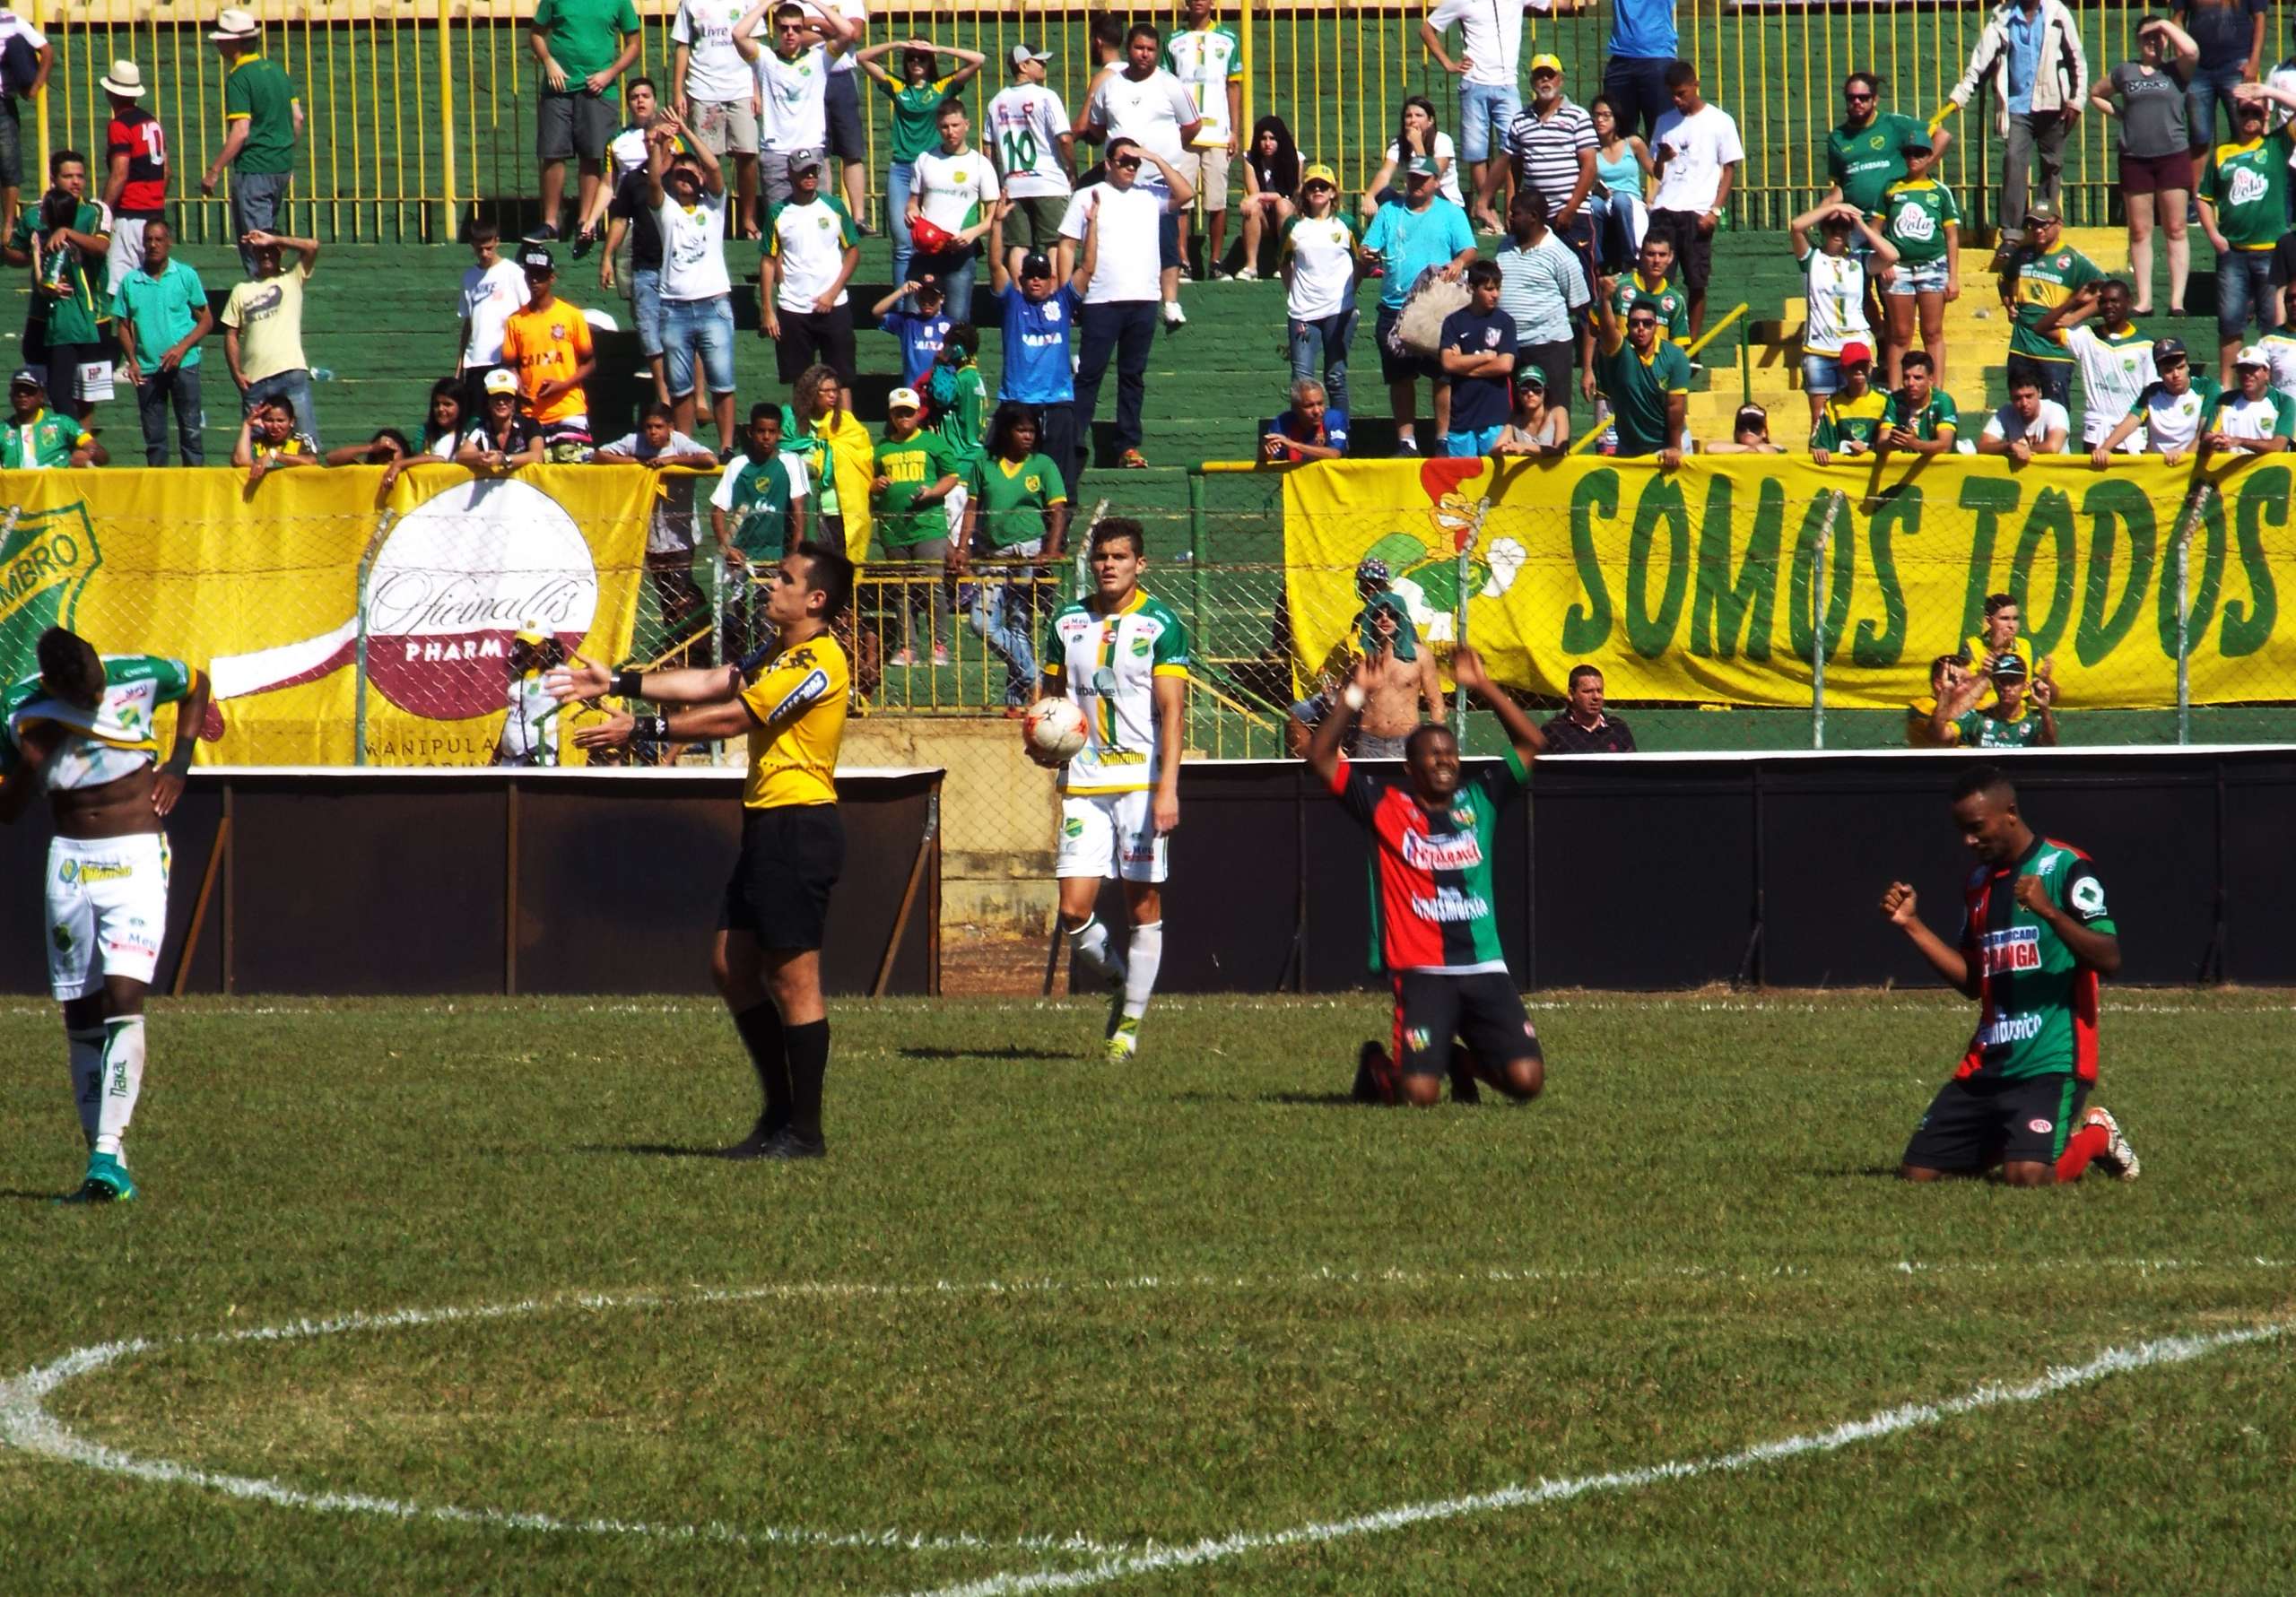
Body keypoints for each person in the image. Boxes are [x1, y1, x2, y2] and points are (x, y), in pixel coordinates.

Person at [551, 543, 858, 1160]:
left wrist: (639, 727)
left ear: (815, 599)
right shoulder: (778, 651)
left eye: (786, 578)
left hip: (800, 826)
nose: (773, 584)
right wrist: (620, 681)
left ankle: (806, 1132)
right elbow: (717, 680)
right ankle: (778, 1116)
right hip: (768, 823)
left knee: (794, 979)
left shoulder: (818, 661)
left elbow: (731, 718)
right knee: (730, 963)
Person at [0, 627, 209, 1203]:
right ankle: (106, 1163)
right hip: (70, 866)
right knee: (80, 1014)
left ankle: (104, 1151)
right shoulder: (21, 710)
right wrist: (31, 765)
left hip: (136, 858)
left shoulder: (138, 674)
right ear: (54, 684)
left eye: (98, 686)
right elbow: (9, 810)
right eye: (83, 695)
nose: (96, 699)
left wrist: (179, 763)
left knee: (124, 999)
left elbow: (197, 685)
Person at [1310, 645, 1548, 1108]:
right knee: (1419, 1095)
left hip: (1483, 968)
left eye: (1450, 755)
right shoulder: (1384, 806)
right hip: (1422, 972)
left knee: (1527, 1082)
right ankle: (1378, 1067)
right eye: (1432, 756)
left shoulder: (1482, 799)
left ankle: (1462, 1063)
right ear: (1409, 767)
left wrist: (1482, 687)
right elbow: (1321, 757)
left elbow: (1532, 744)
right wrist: (1355, 693)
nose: (1444, 762)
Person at [1878, 766, 2138, 1185]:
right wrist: (1912, 924)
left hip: (2053, 1060)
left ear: (2010, 812)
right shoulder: (1978, 883)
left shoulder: (2066, 866)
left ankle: (2096, 1136)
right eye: (1962, 830)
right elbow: (1971, 983)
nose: (1969, 840)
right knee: (1918, 1174)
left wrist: (2050, 912)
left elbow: (2109, 958)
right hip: (1989, 1063)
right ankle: (2017, 1135)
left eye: (1977, 828)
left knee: (2028, 1176)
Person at [1032, 519, 1187, 1061]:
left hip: (1141, 788)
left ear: (1140, 564)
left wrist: (1167, 788)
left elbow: (1172, 711)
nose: (1108, 565)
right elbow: (1052, 702)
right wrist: (1042, 738)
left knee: (1141, 903)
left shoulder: (1162, 623)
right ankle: (1123, 985)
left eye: (1120, 557)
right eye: (1101, 556)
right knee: (1074, 910)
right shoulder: (1068, 621)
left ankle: (1128, 1030)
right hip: (1083, 783)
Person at [1063, 138, 1194, 470]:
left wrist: (1154, 157)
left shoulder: (1149, 196)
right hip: (1100, 300)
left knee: (1132, 376)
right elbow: (1067, 245)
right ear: (1108, 163)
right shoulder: (1087, 196)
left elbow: (1186, 194)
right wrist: (1069, 294)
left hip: (1143, 300)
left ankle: (1128, 446)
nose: (1130, 167)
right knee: (1089, 374)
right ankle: (1072, 442)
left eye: (1135, 163)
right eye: (1124, 161)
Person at [1083, 22, 1203, 330]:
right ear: (1129, 49)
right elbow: (1095, 126)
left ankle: (1171, 302)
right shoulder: (1110, 85)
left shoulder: (1170, 84)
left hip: (1157, 181)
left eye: (1150, 49)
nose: (1145, 55)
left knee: (1166, 239)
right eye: (1139, 48)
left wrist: (1168, 150)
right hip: (1120, 182)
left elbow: (1192, 125)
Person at [1943, 0, 2087, 255]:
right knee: (2013, 162)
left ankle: (2045, 226)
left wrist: (2076, 102)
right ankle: (2011, 234)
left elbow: (2077, 59)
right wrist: (1961, 95)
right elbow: (1980, 61)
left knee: (2051, 167)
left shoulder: (2057, 13)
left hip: (2054, 104)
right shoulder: (2002, 17)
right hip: (2018, 107)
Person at [1361, 157, 1477, 457]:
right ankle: (1406, 441)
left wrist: (1459, 262)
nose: (1416, 182)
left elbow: (1469, 249)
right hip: (1394, 305)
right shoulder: (1389, 212)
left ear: (1436, 182)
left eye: (1423, 178)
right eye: (1412, 177)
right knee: (1400, 376)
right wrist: (1367, 254)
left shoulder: (1450, 213)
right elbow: (1368, 246)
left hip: (1436, 307)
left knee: (1442, 375)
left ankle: (1442, 440)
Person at [958, 400, 1068, 711]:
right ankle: (1035, 680)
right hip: (991, 554)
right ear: (1006, 431)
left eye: (1032, 430)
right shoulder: (984, 464)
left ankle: (1015, 701)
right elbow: (972, 508)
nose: (1027, 436)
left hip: (1027, 553)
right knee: (982, 623)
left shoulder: (1043, 465)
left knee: (1019, 623)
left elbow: (1057, 509)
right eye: (1021, 430)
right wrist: (963, 547)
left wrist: (1049, 549)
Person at [857, 38, 983, 299]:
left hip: (933, 169)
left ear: (930, 62)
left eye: (921, 57)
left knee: (929, 240)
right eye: (912, 57)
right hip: (902, 168)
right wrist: (898, 44)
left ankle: (932, 298)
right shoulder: (897, 86)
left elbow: (978, 59)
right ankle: (903, 304)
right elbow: (862, 58)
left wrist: (939, 48)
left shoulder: (941, 87)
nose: (916, 61)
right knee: (903, 243)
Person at [645, 112, 738, 453]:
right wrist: (657, 146)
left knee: (722, 381)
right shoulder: (666, 209)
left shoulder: (713, 206)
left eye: (690, 173)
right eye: (680, 173)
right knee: (680, 387)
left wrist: (684, 130)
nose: (685, 177)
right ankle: (684, 447)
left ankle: (727, 447)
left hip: (713, 303)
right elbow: (654, 182)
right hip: (674, 309)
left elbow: (714, 169)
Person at [2094, 17, 2197, 317]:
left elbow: (2192, 51)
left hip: (2172, 154)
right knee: (2139, 230)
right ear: (2137, 41)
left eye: (2158, 36)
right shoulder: (2125, 71)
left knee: (2176, 228)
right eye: (2146, 36)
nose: (2153, 41)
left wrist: (2165, 25)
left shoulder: (2176, 70)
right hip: (2134, 157)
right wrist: (2121, 116)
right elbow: (2096, 94)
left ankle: (2177, 300)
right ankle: (2144, 300)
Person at [2198, 82, 2296, 384]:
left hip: (2271, 249)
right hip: (2234, 252)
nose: (2249, 117)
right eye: (2244, 112)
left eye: (2256, 112)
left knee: (2272, 321)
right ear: (2236, 116)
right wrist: (2214, 235)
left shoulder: (2276, 145)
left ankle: (2274, 381)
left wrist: (2266, 91)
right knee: (2230, 322)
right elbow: (2203, 197)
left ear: (2265, 115)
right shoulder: (2222, 152)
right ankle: (2228, 385)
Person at [527, 0, 640, 242]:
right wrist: (548, 62)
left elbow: (634, 44)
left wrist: (609, 74)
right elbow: (536, 34)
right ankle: (550, 223)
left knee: (592, 155)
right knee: (553, 153)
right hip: (558, 88)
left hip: (599, 89)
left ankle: (585, 223)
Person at [1477, 53, 1596, 283]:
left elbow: (1589, 167)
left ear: (1560, 80)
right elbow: (1513, 166)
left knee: (1581, 278)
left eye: (1550, 75)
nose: (1545, 81)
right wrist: (1512, 207)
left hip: (1573, 215)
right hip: (1534, 217)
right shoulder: (1520, 119)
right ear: (1532, 82)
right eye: (1539, 76)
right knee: (1536, 277)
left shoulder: (1578, 116)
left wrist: (1570, 209)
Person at [200, 10, 302, 276]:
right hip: (279, 167)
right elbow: (297, 119)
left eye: (222, 39)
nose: (218, 44)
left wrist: (214, 171)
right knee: (268, 237)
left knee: (256, 246)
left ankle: (263, 304)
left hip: (255, 168)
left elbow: (241, 130)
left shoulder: (239, 78)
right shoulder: (277, 71)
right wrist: (286, 156)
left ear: (233, 43)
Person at [1647, 61, 1741, 340]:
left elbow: (1729, 169)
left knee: (1696, 281)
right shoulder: (1665, 122)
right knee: (1659, 279)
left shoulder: (1719, 121)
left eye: (1682, 93)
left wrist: (1714, 211)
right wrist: (1662, 159)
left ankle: (1692, 344)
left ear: (1695, 86)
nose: (1678, 100)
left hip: (1697, 211)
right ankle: (1659, 339)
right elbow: (1656, 171)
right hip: (1665, 208)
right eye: (1673, 95)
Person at [15, 153, 112, 423]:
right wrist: (33, 252)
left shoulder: (95, 210)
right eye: (68, 176)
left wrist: (63, 238)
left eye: (80, 176)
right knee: (45, 387)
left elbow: (101, 246)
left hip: (89, 315)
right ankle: (55, 446)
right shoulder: (35, 214)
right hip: (46, 317)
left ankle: (81, 448)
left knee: (83, 392)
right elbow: (13, 251)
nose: (76, 182)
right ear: (54, 178)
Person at [870, 386, 961, 665]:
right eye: (898, 413)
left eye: (908, 412)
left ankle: (939, 645)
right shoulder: (882, 448)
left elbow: (952, 477)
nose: (903, 418)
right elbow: (871, 483)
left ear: (917, 413)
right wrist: (876, 485)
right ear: (891, 415)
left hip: (928, 526)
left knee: (932, 584)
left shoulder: (933, 443)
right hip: (894, 529)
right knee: (901, 588)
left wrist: (933, 493)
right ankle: (907, 647)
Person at [758, 156, 862, 400]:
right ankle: (803, 434)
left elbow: (853, 252)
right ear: (791, 175)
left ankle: (844, 435)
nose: (810, 177)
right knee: (801, 379)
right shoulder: (778, 213)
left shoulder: (834, 207)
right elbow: (768, 260)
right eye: (804, 172)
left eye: (814, 171)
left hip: (834, 305)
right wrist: (767, 309)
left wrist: (832, 293)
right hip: (793, 306)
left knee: (841, 378)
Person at [712, 402, 811, 659]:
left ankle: (766, 672)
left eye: (772, 432)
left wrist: (794, 553)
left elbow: (799, 508)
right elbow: (717, 511)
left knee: (768, 624)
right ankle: (734, 678)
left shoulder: (790, 462)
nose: (766, 437)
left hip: (773, 556)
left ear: (779, 433)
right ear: (750, 432)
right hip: (741, 559)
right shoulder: (737, 465)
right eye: (760, 431)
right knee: (736, 623)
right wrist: (727, 548)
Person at [735, 0, 855, 210]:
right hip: (776, 153)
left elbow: (848, 32)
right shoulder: (765, 58)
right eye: (784, 28)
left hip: (811, 149)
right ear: (776, 29)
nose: (790, 33)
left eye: (797, 28)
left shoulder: (819, 58)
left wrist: (813, 2)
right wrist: (769, 3)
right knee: (780, 221)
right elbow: (738, 34)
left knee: (817, 218)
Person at [110, 219, 212, 466]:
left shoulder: (185, 275)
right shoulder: (130, 282)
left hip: (184, 363)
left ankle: (194, 488)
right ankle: (159, 493)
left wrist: (181, 348)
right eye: (148, 240)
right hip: (147, 368)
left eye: (158, 239)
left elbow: (206, 320)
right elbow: (123, 326)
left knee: (191, 432)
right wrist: (132, 361)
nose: (153, 245)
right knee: (154, 437)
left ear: (169, 242)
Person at [988, 247, 1088, 499]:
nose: (1036, 280)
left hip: (1057, 400)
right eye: (1030, 274)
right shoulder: (1013, 303)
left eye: (1042, 275)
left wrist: (1093, 223)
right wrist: (996, 223)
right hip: (1017, 401)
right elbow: (994, 265)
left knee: (1061, 471)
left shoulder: (1062, 302)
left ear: (1051, 280)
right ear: (1020, 279)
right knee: (1001, 466)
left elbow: (1087, 268)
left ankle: (1060, 526)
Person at [1790, 200, 1897, 429]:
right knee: (1820, 421)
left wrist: (1860, 223)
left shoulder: (1859, 260)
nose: (1838, 231)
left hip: (1855, 346)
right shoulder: (1811, 259)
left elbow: (1891, 255)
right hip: (1820, 348)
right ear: (1823, 229)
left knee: (1856, 411)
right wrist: (1832, 208)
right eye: (1832, 226)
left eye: (1843, 227)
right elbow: (1796, 226)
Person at [1483, 192, 1587, 424]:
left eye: (1515, 214)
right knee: (1515, 420)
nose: (1509, 218)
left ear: (1534, 217)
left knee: (1551, 418)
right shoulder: (1505, 246)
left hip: (1548, 347)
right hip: (1509, 348)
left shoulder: (1561, 255)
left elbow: (1581, 306)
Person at [1421, 0, 1528, 214]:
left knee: (1514, 148)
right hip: (1474, 82)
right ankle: (1488, 212)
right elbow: (1426, 29)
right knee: (1476, 152)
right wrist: (1449, 64)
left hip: (1508, 84)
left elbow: (1560, 5)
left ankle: (1510, 208)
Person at [673, 0, 770, 239]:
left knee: (748, 154)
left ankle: (748, 220)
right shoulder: (690, 3)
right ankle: (707, 219)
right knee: (707, 160)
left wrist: (756, 90)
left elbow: (754, 46)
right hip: (703, 89)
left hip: (741, 89)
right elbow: (683, 46)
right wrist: (678, 91)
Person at [1873, 135, 1961, 390]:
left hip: (1933, 265)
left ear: (1930, 156)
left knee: (1932, 332)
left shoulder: (1939, 191)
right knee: (1900, 334)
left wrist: (1953, 278)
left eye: (1920, 153)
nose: (1913, 158)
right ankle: (1896, 392)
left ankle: (1936, 392)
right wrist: (1884, 262)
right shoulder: (1891, 188)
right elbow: (1875, 230)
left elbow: (1952, 236)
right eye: (1909, 153)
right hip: (1898, 267)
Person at [1164, 0, 1242, 282]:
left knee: (1216, 200)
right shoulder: (1174, 40)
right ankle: (1183, 260)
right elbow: (1166, 85)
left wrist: (1235, 130)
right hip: (1183, 133)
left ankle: (1215, 261)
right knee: (1181, 199)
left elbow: (1234, 84)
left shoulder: (1228, 38)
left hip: (1217, 133)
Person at [986, 44, 1076, 287]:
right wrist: (1072, 169)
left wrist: (997, 182)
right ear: (1023, 66)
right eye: (1039, 62)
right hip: (1048, 181)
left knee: (1017, 246)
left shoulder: (995, 102)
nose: (1044, 66)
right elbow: (1065, 138)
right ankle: (1057, 299)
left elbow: (988, 149)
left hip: (1013, 183)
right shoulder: (1046, 96)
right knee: (1055, 244)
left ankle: (1019, 299)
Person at [222, 228, 321, 444]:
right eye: (260, 250)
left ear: (280, 251)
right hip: (254, 379)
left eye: (271, 250)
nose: (266, 255)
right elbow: (231, 333)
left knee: (306, 442)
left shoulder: (292, 277)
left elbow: (312, 246)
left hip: (290, 372)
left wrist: (274, 239)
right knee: (254, 445)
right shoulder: (242, 289)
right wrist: (237, 373)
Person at [908, 98, 1004, 319]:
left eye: (955, 125)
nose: (950, 132)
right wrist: (911, 212)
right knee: (915, 316)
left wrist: (972, 233)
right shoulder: (925, 159)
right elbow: (913, 202)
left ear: (967, 125)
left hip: (959, 250)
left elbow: (993, 217)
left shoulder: (980, 164)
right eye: (944, 126)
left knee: (957, 318)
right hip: (925, 250)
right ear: (938, 127)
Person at [2033, 279, 2155, 453]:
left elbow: (2149, 395)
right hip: (2096, 431)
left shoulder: (2145, 345)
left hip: (2132, 434)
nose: (2108, 306)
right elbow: (2041, 328)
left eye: (2114, 301)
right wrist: (2073, 302)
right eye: (2103, 302)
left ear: (2128, 302)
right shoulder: (2087, 336)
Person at [1274, 163, 1359, 412]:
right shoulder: (1294, 226)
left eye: (1324, 186)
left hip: (1339, 311)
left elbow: (1361, 261)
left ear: (1333, 192)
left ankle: (1341, 441)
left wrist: (1349, 293)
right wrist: (1294, 293)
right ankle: (1301, 444)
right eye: (1312, 186)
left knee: (1336, 377)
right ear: (1305, 193)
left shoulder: (1347, 224)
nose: (1318, 190)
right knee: (1301, 381)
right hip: (1303, 313)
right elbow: (1283, 263)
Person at [1998, 202, 2100, 406]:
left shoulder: (2072, 259)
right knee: (2021, 407)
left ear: (2059, 224)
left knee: (2056, 410)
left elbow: (2106, 292)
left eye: (2043, 225)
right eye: (2033, 225)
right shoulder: (2022, 254)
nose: (2037, 230)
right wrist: (2008, 304)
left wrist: (2076, 316)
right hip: (2021, 345)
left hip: (2054, 349)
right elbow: (2003, 280)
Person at [500, 244, 596, 458]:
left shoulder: (571, 316)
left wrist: (562, 385)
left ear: (551, 278)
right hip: (531, 414)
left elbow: (589, 362)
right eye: (531, 275)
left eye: (540, 275)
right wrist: (517, 386)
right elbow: (509, 364)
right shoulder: (516, 321)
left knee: (573, 473)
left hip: (568, 409)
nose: (534, 281)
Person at [1825, 71, 1952, 223]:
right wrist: (1823, 210)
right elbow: (1841, 186)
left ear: (1875, 99)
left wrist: (1918, 173)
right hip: (1859, 223)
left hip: (1897, 218)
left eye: (1864, 97)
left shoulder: (1893, 123)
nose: (1857, 102)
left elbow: (1942, 136)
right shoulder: (1837, 138)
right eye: (1851, 98)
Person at [1591, 272, 1691, 464]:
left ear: (1656, 326)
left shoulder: (1675, 357)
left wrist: (1675, 446)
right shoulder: (1620, 353)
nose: (1641, 328)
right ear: (1627, 326)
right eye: (1635, 323)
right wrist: (1605, 299)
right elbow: (1607, 329)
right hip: (1631, 447)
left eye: (1647, 323)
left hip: (1668, 445)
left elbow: (1675, 406)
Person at [1436, 259, 1518, 456]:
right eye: (1489, 289)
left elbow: (1505, 365)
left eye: (1498, 288)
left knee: (1496, 481)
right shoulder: (1454, 322)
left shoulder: (1505, 322)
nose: (1495, 295)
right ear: (1472, 288)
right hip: (1461, 419)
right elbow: (1448, 363)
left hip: (1495, 419)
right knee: (1462, 483)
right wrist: (1486, 357)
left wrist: (1463, 364)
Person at [2092, 334, 2218, 460]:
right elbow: (2130, 422)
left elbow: (2204, 432)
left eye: (2180, 367)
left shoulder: (2207, 388)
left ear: (2188, 366)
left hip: (2193, 465)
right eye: (2168, 370)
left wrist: (2184, 457)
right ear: (2159, 373)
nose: (2176, 375)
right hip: (2158, 468)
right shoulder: (2151, 393)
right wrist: (2104, 449)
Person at [98, 59, 165, 286]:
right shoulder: (152, 122)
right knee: (152, 284)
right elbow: (168, 170)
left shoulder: (120, 125)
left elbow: (119, 174)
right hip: (155, 215)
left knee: (121, 286)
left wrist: (103, 213)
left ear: (110, 93)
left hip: (130, 216)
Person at [2172, 0, 2268, 154]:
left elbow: (2260, 17)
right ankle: (2199, 179)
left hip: (2237, 66)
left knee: (2245, 130)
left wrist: (2254, 61)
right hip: (2198, 69)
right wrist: (2181, 55)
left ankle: (2245, 176)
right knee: (2199, 137)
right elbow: (2178, 17)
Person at [456, 219, 526, 415]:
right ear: (472, 246)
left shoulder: (513, 272)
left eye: (488, 248)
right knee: (478, 419)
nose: (485, 254)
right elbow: (468, 322)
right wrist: (460, 365)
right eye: (480, 250)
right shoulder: (469, 277)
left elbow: (527, 314)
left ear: (497, 241)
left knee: (507, 416)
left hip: (504, 359)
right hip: (476, 361)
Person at [1363, 95, 1465, 215]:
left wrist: (1417, 144)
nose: (1413, 120)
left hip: (1444, 202)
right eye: (1408, 116)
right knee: (1382, 193)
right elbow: (1385, 173)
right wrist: (1370, 196)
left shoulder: (1442, 140)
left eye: (1419, 115)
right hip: (1414, 202)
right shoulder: (1399, 143)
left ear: (1430, 121)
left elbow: (1432, 179)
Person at [1930, 654, 2058, 747]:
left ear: (2025, 685)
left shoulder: (2035, 721)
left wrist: (2044, 708)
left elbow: (2050, 743)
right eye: (2002, 681)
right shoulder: (1977, 718)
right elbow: (1941, 735)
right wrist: (1945, 693)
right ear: (1994, 684)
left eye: (2013, 681)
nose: (2007, 687)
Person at [1587, 95, 1652, 273]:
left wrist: (1651, 199)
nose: (1600, 120)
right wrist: (1596, 189)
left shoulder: (1633, 143)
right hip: (1603, 198)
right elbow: (1583, 178)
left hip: (1629, 200)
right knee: (1593, 205)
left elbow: (1655, 173)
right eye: (1596, 115)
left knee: (1621, 200)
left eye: (1606, 115)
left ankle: (1629, 259)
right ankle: (1596, 261)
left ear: (1616, 118)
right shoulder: (1591, 149)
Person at [0, 1, 50, 230]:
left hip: (3, 102)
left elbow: (47, 51)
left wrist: (34, 86)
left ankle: (9, 223)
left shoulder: (11, 21)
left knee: (9, 165)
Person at [1231, 113, 1299, 281]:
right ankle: (1251, 266)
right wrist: (1258, 198)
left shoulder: (1295, 158)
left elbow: (1290, 194)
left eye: (1272, 138)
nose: (1267, 143)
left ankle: (1285, 263)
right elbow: (1254, 195)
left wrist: (1262, 196)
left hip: (1289, 214)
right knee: (1252, 207)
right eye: (1263, 138)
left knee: (1282, 204)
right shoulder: (1250, 159)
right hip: (1265, 215)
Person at [1602, 0, 1678, 140]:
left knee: (1662, 133)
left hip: (1657, 57)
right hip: (1621, 57)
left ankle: (1660, 162)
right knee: (1618, 133)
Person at [2202, 343, 2296, 452]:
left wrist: (2239, 441)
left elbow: (2277, 446)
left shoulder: (2284, 403)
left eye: (2252, 368)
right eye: (2242, 369)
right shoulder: (2224, 400)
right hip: (2232, 469)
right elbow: (2206, 438)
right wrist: (2214, 441)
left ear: (2266, 372)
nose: (2246, 374)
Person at [0, 369, 101, 467]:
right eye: (17, 391)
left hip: (55, 483)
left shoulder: (63, 423)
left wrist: (89, 454)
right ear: (11, 396)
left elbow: (99, 452)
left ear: (41, 396)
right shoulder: (2, 430)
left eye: (29, 391)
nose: (22, 395)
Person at [455, 367, 547, 472]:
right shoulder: (481, 429)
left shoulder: (530, 424)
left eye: (507, 398)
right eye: (496, 397)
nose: (501, 402)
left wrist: (503, 460)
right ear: (488, 402)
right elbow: (460, 457)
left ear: (514, 402)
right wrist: (481, 456)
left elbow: (537, 456)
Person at [1810, 341, 1887, 464]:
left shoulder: (1886, 400)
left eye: (1863, 365)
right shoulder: (1832, 403)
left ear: (1871, 367)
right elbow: (1818, 445)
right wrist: (1820, 451)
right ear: (1843, 370)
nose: (1859, 371)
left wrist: (1867, 449)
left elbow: (1894, 443)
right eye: (1853, 366)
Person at [1875, 349, 1961, 460]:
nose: (1911, 383)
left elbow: (1945, 446)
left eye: (1918, 378)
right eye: (1906, 377)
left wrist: (1915, 444)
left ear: (1931, 380)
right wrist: (1893, 444)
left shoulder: (1943, 401)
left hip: (1941, 470)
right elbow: (1881, 443)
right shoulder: (1895, 399)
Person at [870, 275, 950, 388]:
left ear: (941, 299)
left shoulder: (952, 325)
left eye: (932, 298)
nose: (927, 303)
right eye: (923, 298)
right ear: (917, 299)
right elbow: (877, 312)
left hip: (942, 390)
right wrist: (901, 291)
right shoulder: (908, 322)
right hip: (914, 391)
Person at [1538, 662, 1636, 751]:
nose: (1596, 697)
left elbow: (1633, 767)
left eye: (1599, 691)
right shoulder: (1554, 731)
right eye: (1588, 691)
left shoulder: (1618, 728)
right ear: (1571, 694)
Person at [1978, 374, 2072, 456]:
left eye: (2029, 396)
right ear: (2010, 397)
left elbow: (2053, 447)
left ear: (2039, 393)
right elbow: (1982, 447)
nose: (2024, 403)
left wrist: (2023, 450)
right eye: (2018, 398)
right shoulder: (2006, 412)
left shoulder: (2056, 410)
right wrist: (2009, 446)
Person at [1260, 377, 1349, 463]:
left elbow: (1334, 454)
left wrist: (1293, 445)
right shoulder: (1282, 422)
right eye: (1309, 406)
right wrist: (1265, 451)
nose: (1317, 411)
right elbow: (1268, 461)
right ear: (1295, 408)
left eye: (1320, 403)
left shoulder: (1334, 418)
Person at [231, 395, 318, 482]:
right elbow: (240, 462)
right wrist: (247, 424)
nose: (275, 426)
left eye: (280, 420)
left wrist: (274, 455)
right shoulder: (256, 442)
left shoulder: (301, 440)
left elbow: (311, 462)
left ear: (292, 421)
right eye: (269, 420)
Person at [1493, 368, 1569, 456]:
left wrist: (1524, 447)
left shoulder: (1558, 413)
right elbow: (1495, 449)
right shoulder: (1515, 419)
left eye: (1537, 389)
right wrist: (1505, 449)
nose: (1530, 394)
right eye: (1524, 389)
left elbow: (1560, 450)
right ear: (1518, 394)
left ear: (1545, 392)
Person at [1908, 653, 1975, 746]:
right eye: (1964, 681)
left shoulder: (1970, 705)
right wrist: (1945, 691)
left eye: (1970, 681)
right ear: (1939, 684)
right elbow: (1938, 733)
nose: (1970, 687)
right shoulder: (1921, 706)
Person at [1703, 401, 1781, 454]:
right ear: (1737, 432)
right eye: (1742, 427)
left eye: (1754, 427)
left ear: (1764, 432)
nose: (1748, 431)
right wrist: (1748, 449)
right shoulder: (1733, 449)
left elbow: (1764, 450)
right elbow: (1710, 448)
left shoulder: (1776, 447)